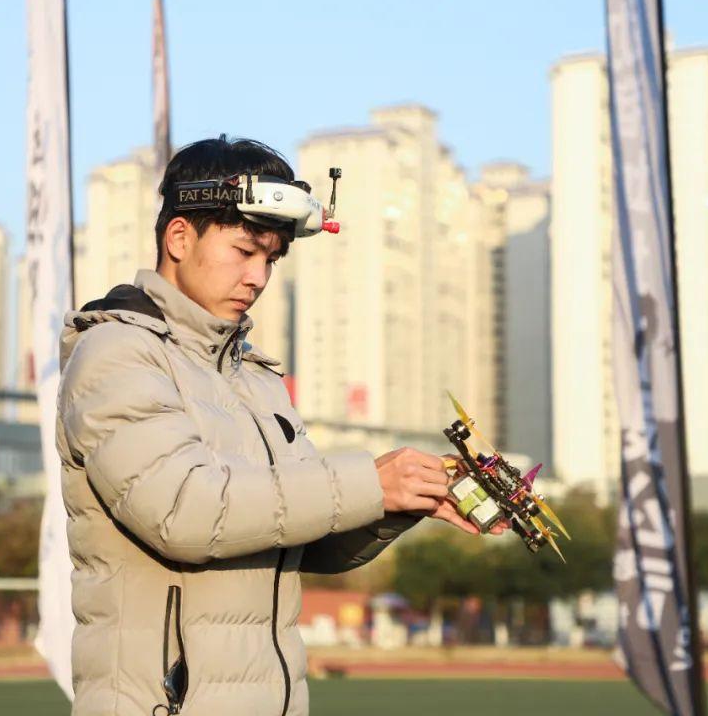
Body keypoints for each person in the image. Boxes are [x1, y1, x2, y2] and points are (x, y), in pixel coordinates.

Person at [56, 135, 505, 716]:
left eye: (271, 259)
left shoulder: (256, 377)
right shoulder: (117, 353)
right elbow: (186, 512)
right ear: (179, 238)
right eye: (245, 251)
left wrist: (397, 501)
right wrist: (369, 482)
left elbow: (303, 536)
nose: (259, 277)